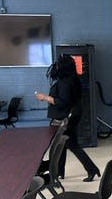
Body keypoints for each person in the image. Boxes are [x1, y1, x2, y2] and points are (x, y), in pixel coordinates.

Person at [35, 54, 100, 182]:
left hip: (66, 117)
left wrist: (44, 97)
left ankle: (91, 169)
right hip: (73, 115)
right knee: (63, 144)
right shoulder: (73, 79)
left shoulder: (64, 82)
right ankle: (60, 171)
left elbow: (62, 102)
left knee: (71, 144)